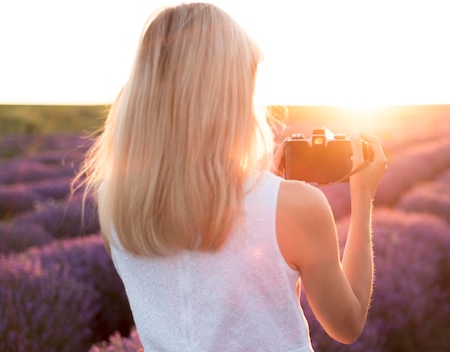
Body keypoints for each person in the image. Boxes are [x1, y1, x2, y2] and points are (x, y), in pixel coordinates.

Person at [77, 2, 387, 351]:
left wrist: (266, 189)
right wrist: (363, 198)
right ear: (228, 97)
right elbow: (346, 324)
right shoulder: (297, 207)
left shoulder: (115, 202)